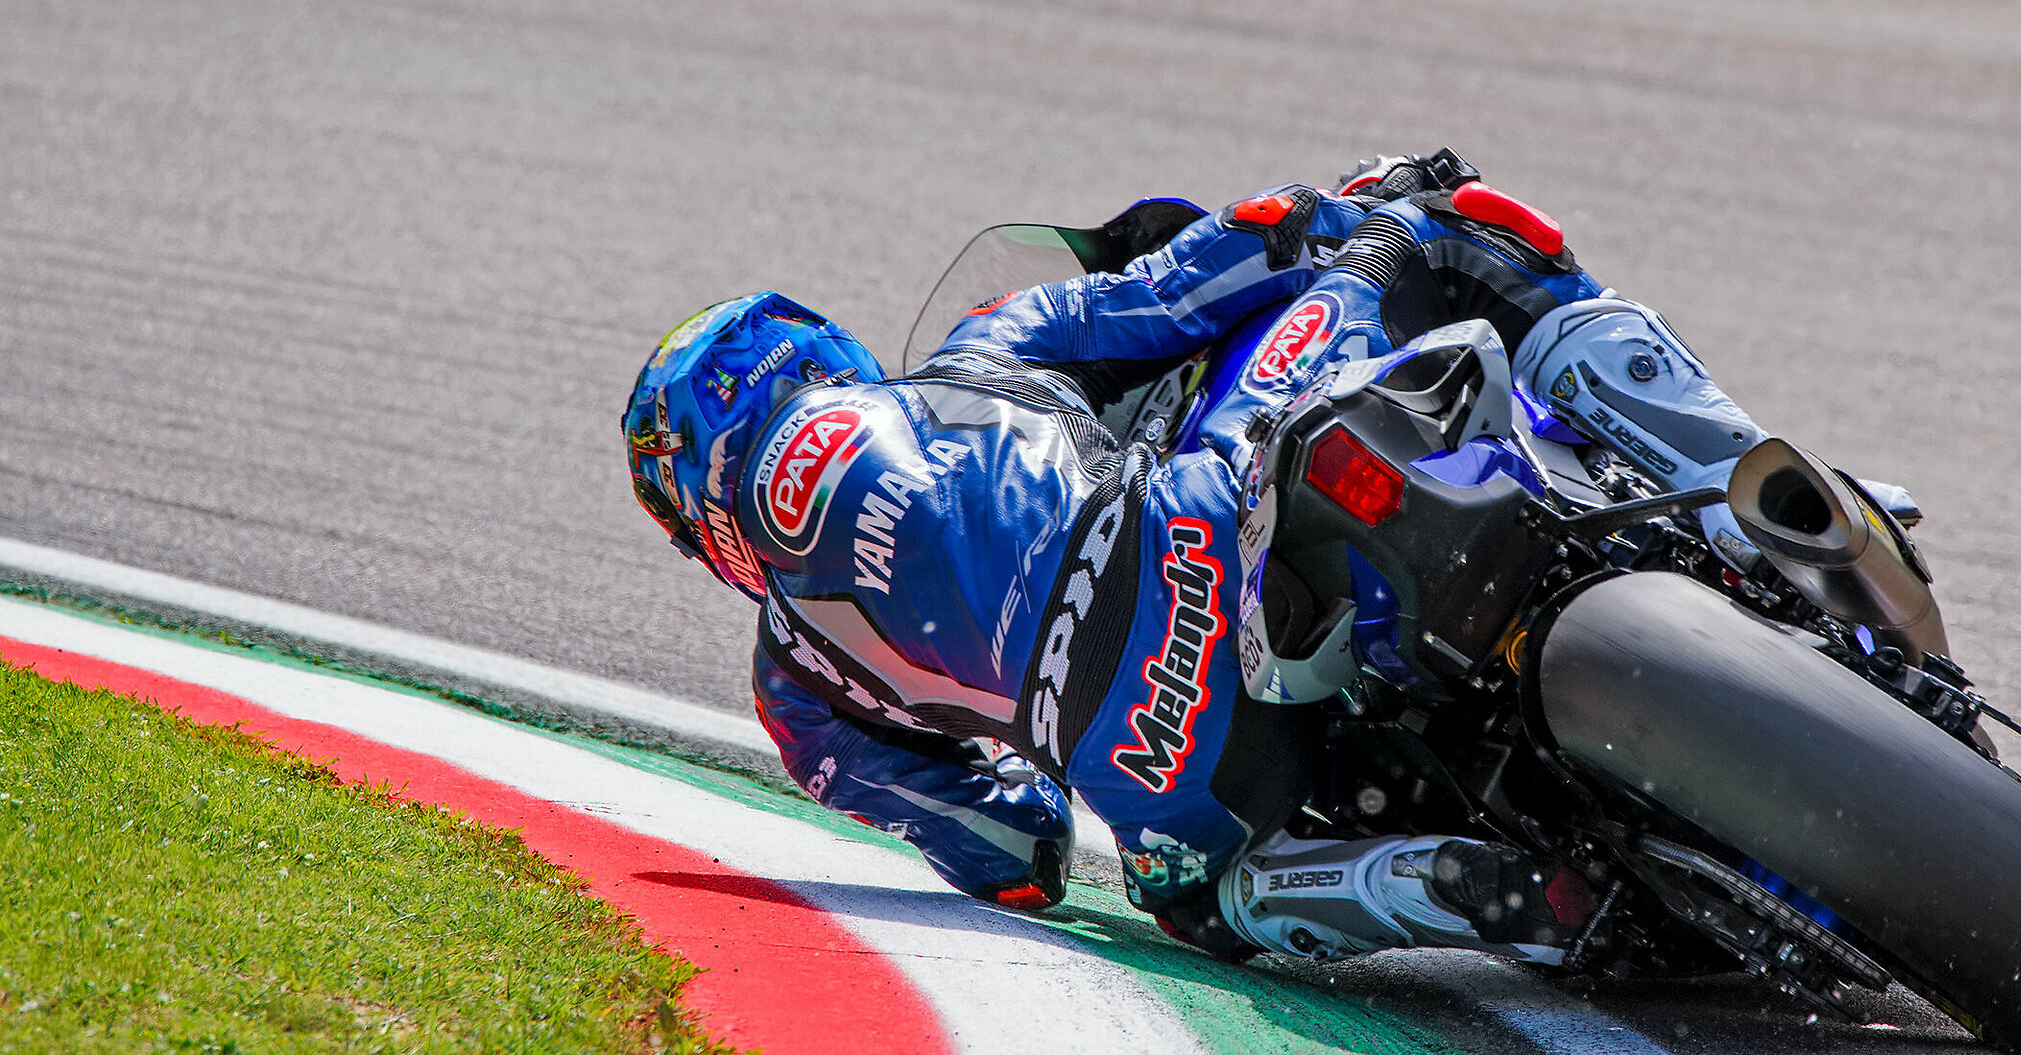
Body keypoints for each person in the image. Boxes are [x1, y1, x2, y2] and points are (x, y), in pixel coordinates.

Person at [621, 153, 1773, 964]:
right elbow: (1191, 280)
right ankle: (1739, 492)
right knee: (1445, 231)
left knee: (1192, 893)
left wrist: (1041, 736)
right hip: (1208, 509)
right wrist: (1347, 207)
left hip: (1166, 758)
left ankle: (1413, 884)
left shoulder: (796, 697)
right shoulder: (979, 352)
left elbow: (1014, 859)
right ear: (821, 355)